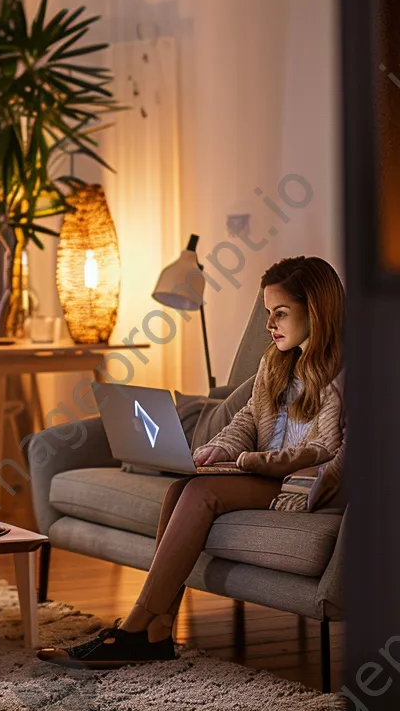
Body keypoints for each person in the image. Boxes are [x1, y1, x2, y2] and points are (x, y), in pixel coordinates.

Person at [39, 255, 346, 669]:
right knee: (180, 486)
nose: (269, 325)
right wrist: (218, 450)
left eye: (280, 314)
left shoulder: (343, 372)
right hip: (260, 468)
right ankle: (156, 629)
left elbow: (326, 450)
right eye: (267, 313)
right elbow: (247, 419)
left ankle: (136, 628)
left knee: (201, 494)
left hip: (300, 482)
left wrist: (253, 461)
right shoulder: (276, 362)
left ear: (317, 309)